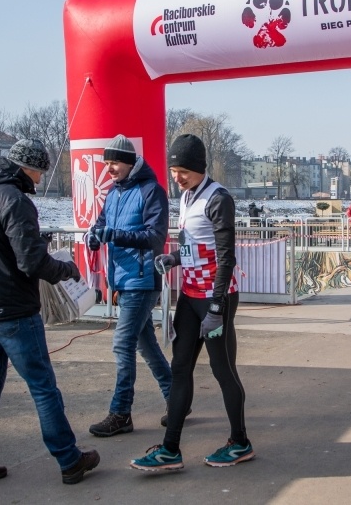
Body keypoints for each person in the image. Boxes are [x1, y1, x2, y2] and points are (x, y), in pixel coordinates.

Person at [0, 138, 99, 486]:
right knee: (43, 385)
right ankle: (68, 458)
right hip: (13, 308)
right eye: (38, 172)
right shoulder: (14, 200)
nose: (38, 180)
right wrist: (65, 269)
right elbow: (30, 261)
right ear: (28, 168)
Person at [131, 134, 254, 471]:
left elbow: (225, 258)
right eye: (173, 170)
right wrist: (174, 258)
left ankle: (240, 442)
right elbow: (195, 245)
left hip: (218, 298)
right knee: (179, 367)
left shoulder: (218, 199)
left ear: (199, 167)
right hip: (189, 295)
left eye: (183, 170)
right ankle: (170, 449)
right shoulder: (186, 197)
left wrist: (216, 307)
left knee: (222, 370)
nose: (177, 176)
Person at [85, 135, 173, 437]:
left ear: (131, 163)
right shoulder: (113, 193)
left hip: (144, 279)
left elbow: (154, 237)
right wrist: (96, 235)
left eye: (114, 163)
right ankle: (177, 400)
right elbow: (100, 224)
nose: (109, 169)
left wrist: (113, 235)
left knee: (122, 344)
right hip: (123, 278)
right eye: (107, 163)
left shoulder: (152, 192)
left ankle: (121, 413)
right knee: (145, 344)